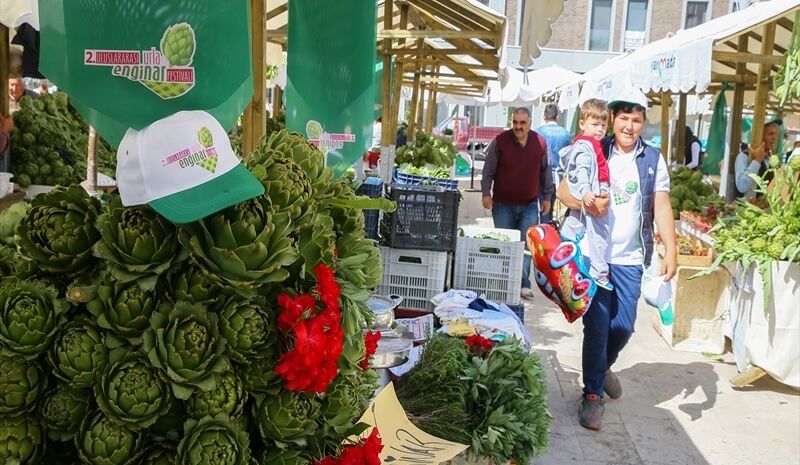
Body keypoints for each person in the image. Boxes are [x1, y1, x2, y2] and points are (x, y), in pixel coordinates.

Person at [557, 88, 677, 431]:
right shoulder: (593, 149)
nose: (628, 125)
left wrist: (671, 246)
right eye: (623, 118)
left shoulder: (653, 160)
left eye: (636, 119)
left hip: (630, 258)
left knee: (623, 327)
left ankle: (602, 367)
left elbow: (663, 205)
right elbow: (564, 191)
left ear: (643, 123)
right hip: (594, 256)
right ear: (612, 119)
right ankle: (592, 394)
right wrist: (587, 202)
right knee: (596, 326)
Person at [481, 107, 554, 301]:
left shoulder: (540, 143)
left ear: (530, 124)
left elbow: (546, 171)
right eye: (515, 122)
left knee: (526, 245)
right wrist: (485, 193)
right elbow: (488, 169)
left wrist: (547, 197)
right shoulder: (501, 142)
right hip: (503, 204)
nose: (518, 127)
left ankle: (522, 284)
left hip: (529, 204)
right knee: (505, 244)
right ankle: (504, 282)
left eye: (522, 123)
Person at [558, 98, 612, 289]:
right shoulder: (586, 146)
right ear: (582, 124)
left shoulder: (593, 144)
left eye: (603, 125)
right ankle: (599, 272)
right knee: (599, 235)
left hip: (591, 194)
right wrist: (586, 191)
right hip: (590, 196)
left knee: (575, 225)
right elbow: (581, 171)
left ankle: (563, 248)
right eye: (595, 124)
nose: (600, 130)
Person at [535, 103, 573, 223]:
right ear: (557, 117)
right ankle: (548, 228)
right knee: (551, 206)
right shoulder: (566, 134)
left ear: (544, 117)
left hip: (539, 176)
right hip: (558, 176)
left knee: (541, 206)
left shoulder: (537, 133)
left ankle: (542, 230)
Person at [734, 120, 780, 200]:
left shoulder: (769, 158)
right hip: (746, 210)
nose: (774, 138)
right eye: (770, 134)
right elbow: (742, 186)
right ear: (759, 136)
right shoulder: (743, 157)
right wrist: (757, 161)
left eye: (776, 134)